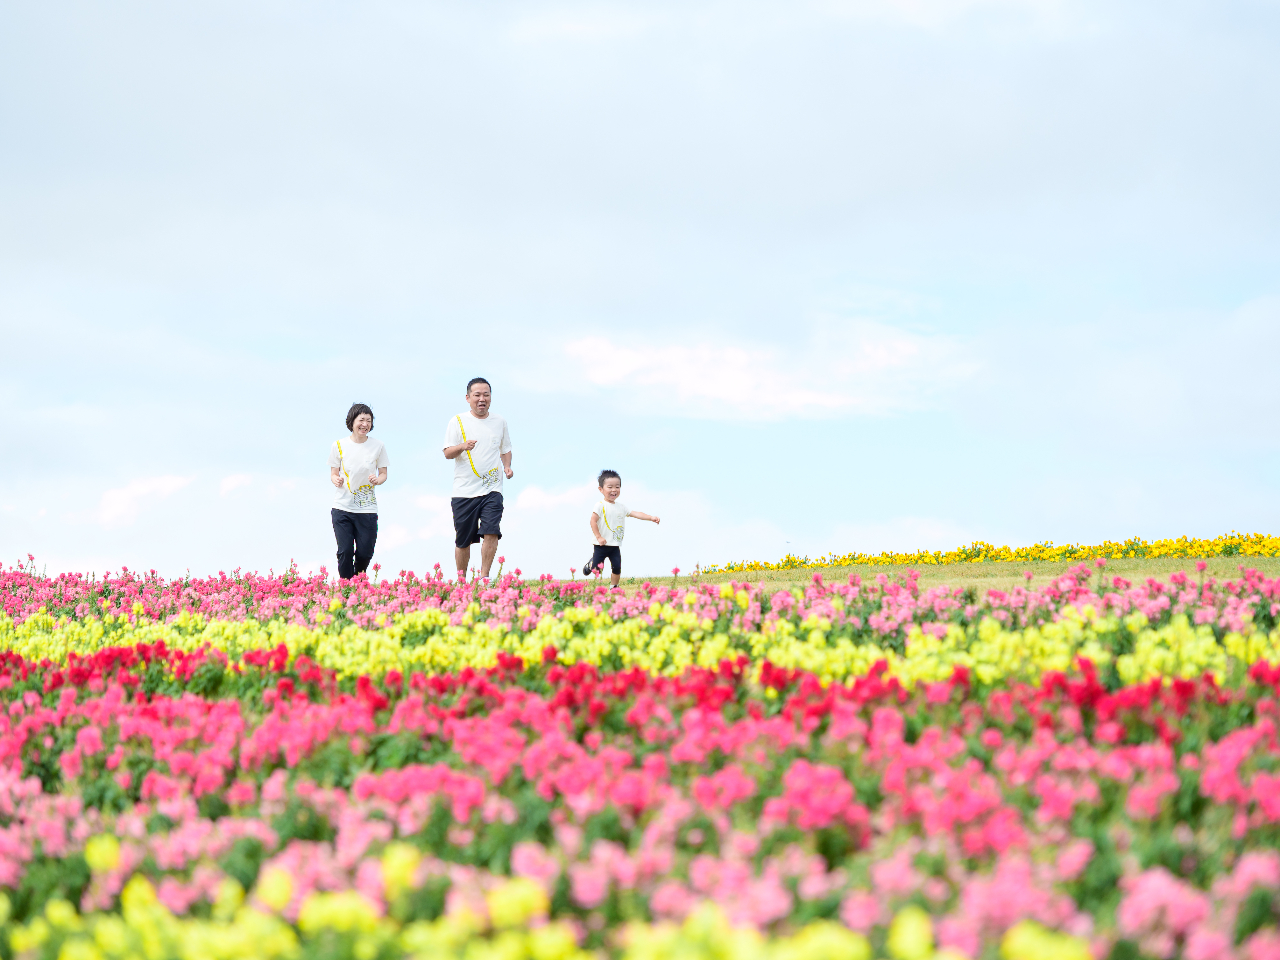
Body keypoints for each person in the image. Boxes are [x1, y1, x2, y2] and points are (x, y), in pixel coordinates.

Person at [442, 378, 512, 580]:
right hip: (464, 491)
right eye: (477, 395)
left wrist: (507, 466)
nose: (482, 399)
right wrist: (462, 446)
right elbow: (447, 453)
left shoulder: (500, 422)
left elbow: (505, 449)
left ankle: (484, 577)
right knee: (463, 541)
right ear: (468, 398)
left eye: (486, 395)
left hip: (492, 489)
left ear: (490, 397)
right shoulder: (457, 421)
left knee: (491, 531)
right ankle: (462, 581)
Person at [327, 403, 389, 580]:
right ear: (352, 421)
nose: (365, 424)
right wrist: (336, 479)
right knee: (345, 550)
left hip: (367, 509)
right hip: (342, 507)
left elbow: (383, 474)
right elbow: (333, 473)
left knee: (365, 552)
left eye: (369, 421)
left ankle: (357, 581)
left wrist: (378, 480)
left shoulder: (378, 446)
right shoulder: (339, 445)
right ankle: (346, 586)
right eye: (361, 420)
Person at [582, 469, 660, 586]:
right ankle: (591, 564)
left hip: (615, 545)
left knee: (617, 567)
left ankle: (614, 587)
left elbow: (635, 513)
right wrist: (599, 537)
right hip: (601, 545)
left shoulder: (621, 507)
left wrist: (651, 517)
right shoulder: (600, 505)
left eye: (617, 487)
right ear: (601, 489)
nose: (614, 490)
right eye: (610, 487)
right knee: (597, 570)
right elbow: (593, 521)